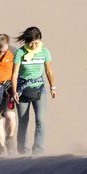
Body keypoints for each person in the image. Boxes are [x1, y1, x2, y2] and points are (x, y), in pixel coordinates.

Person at [11, 26, 56, 155]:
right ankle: (22, 150)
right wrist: (14, 91)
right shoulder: (20, 53)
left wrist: (53, 87)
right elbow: (14, 74)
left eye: (35, 43)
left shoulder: (45, 52)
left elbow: (48, 71)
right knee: (23, 121)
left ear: (40, 40)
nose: (33, 45)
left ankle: (38, 150)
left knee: (40, 121)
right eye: (30, 42)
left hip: (39, 90)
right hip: (22, 91)